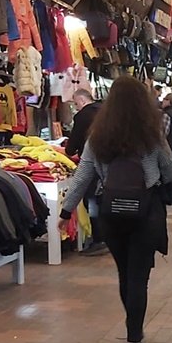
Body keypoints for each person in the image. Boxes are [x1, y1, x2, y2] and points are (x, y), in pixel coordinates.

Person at [57, 76, 172, 343]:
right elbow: (169, 168)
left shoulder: (99, 136)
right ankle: (134, 342)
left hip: (111, 214)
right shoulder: (150, 135)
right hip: (144, 213)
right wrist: (162, 183)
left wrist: (65, 212)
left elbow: (83, 174)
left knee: (125, 273)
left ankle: (133, 331)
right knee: (139, 277)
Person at [64, 88, 106, 256]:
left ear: (81, 100)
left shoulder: (82, 116)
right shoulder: (105, 110)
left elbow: (72, 145)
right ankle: (107, 236)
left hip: (92, 163)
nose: (76, 107)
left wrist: (69, 150)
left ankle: (98, 239)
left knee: (91, 199)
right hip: (110, 163)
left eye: (76, 103)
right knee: (103, 199)